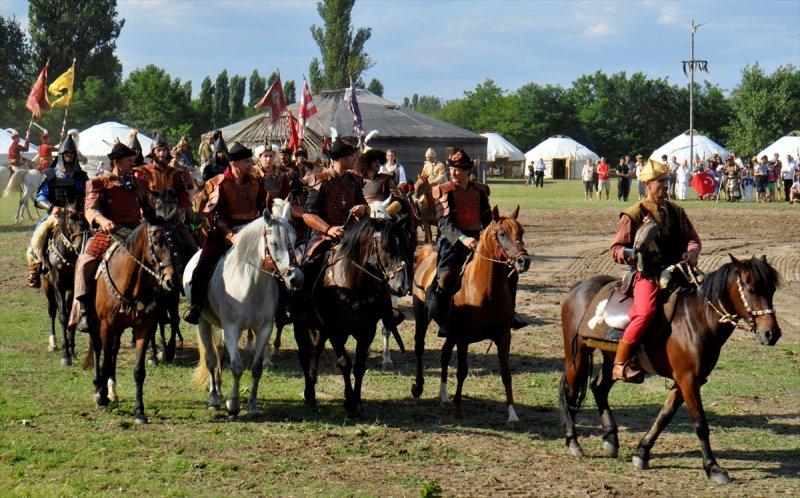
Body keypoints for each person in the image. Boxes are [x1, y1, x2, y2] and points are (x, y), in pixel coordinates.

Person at [609, 160, 701, 382]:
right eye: (660, 181)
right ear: (647, 184)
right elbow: (616, 249)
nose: (665, 185)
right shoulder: (633, 214)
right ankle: (620, 364)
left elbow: (692, 239)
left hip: (678, 270)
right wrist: (634, 253)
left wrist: (692, 252)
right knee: (646, 312)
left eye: (667, 180)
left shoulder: (676, 211)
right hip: (647, 274)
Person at [183, 143, 268, 324]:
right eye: (246, 161)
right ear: (235, 164)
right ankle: (197, 306)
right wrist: (231, 235)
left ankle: (280, 306)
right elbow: (215, 215)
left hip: (251, 231)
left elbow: (262, 207)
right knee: (204, 263)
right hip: (223, 232)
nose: (251, 164)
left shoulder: (256, 182)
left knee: (274, 260)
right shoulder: (218, 183)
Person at [69, 143, 147, 332]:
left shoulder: (137, 182)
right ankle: (85, 310)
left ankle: (159, 307)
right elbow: (90, 209)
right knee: (85, 261)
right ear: (117, 162)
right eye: (129, 161)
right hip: (110, 232)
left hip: (137, 231)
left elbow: (148, 204)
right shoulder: (98, 183)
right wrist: (102, 219)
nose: (133, 164)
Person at [427, 149, 492, 338]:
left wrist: (487, 238)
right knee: (446, 279)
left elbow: (487, 219)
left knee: (504, 272)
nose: (453, 173)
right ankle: (445, 320)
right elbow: (444, 224)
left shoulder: (479, 191)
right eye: (452, 169)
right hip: (452, 243)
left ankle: (509, 314)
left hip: (478, 242)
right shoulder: (444, 191)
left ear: (467, 171)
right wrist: (464, 239)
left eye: (458, 169)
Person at [26, 134, 89, 287]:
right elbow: (40, 198)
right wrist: (52, 207)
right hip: (55, 216)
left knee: (93, 236)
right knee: (38, 236)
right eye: (66, 154)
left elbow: (88, 196)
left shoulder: (81, 176)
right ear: (61, 156)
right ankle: (35, 267)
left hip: (77, 216)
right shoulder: (50, 175)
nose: (69, 156)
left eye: (71, 154)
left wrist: (78, 208)